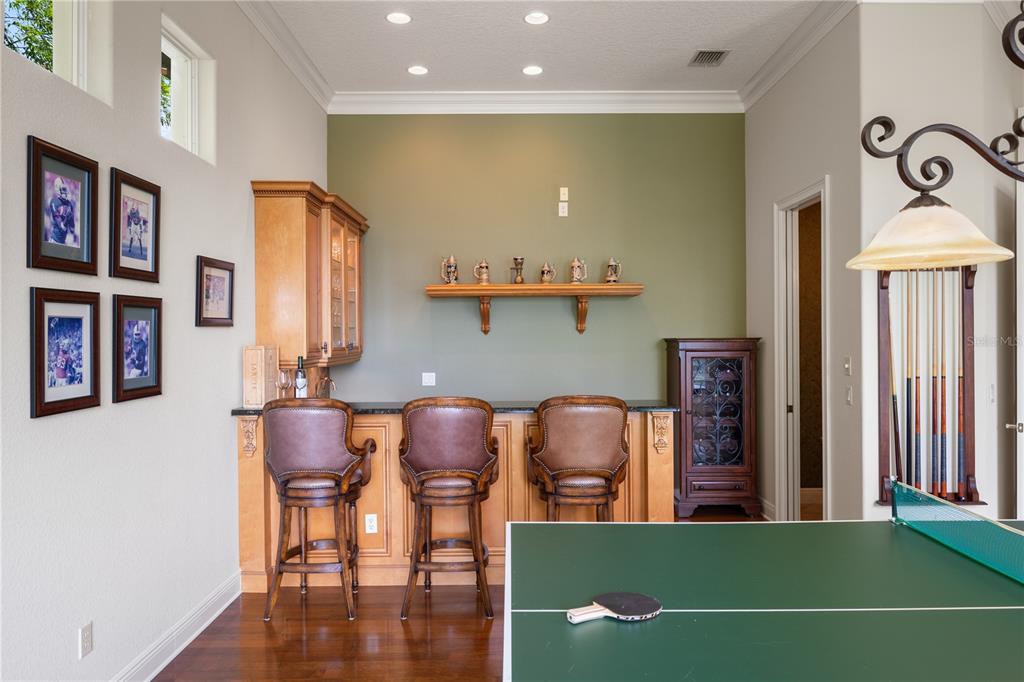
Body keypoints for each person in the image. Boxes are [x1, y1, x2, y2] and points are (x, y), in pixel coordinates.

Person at [48, 177, 77, 245]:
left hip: (63, 242)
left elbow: (72, 230)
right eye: (63, 189)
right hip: (54, 241)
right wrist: (67, 217)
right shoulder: (54, 202)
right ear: (57, 189)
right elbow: (61, 227)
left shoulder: (69, 204)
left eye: (65, 188)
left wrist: (71, 218)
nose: (65, 191)